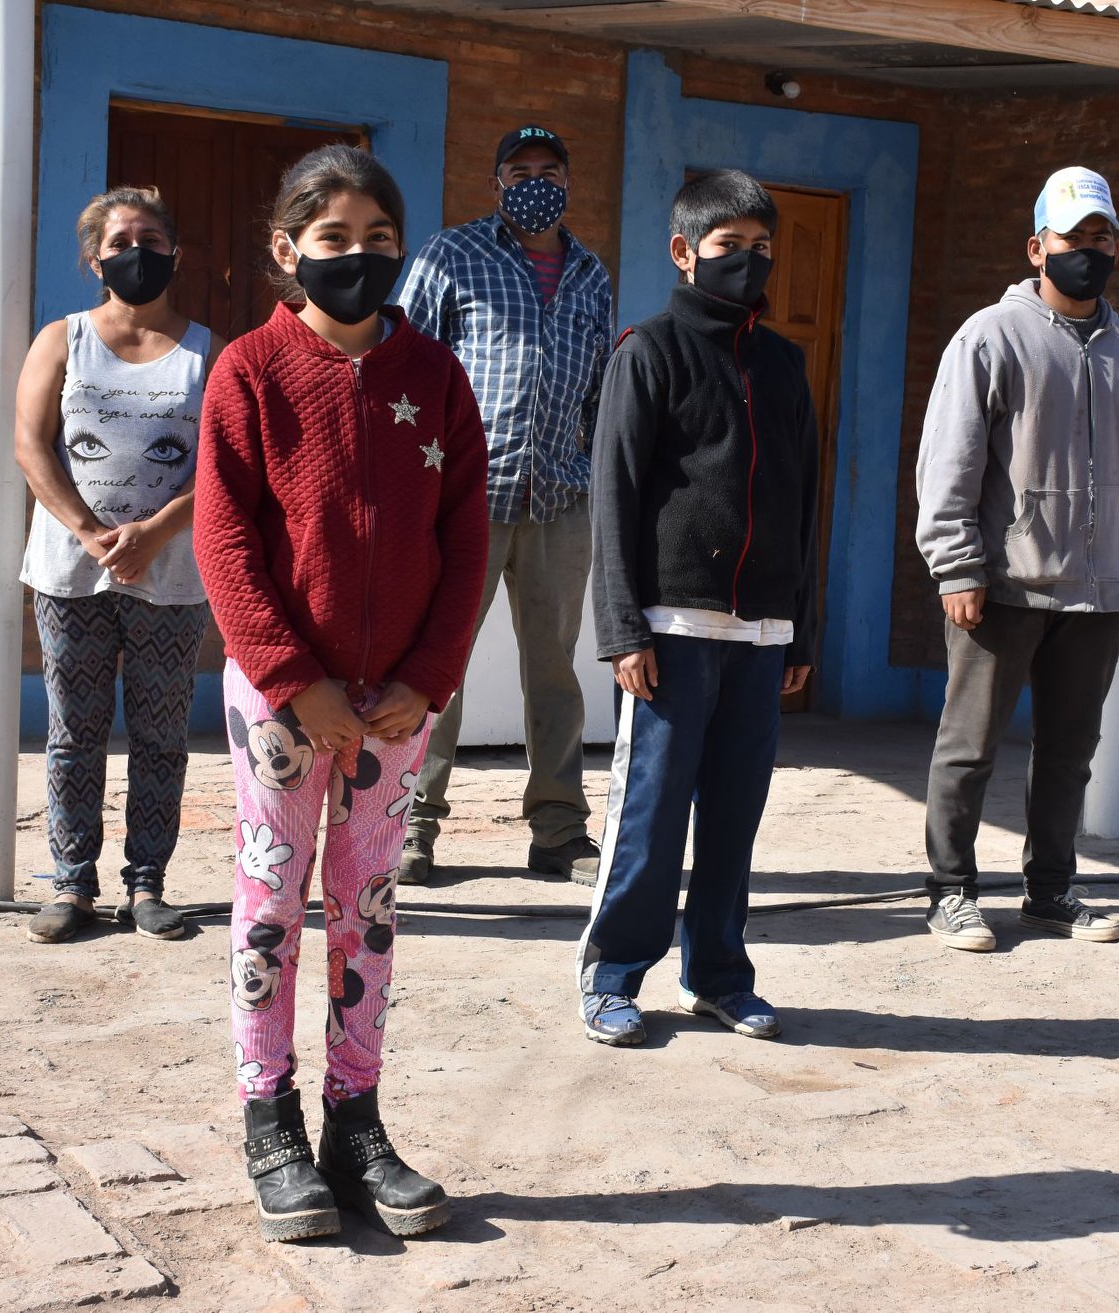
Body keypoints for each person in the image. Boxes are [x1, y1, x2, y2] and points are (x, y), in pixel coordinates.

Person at [195, 145, 487, 1241]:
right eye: (333, 239)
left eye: (378, 239)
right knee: (271, 905)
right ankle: (268, 1119)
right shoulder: (248, 372)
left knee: (366, 909)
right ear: (287, 250)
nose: (357, 256)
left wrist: (428, 676)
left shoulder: (436, 378)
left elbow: (466, 538)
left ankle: (354, 1123)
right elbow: (224, 541)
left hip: (395, 705)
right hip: (283, 700)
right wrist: (292, 679)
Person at [574, 170, 819, 1047]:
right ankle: (611, 974)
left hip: (761, 633)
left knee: (732, 817)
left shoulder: (784, 364)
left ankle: (717, 974)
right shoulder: (649, 352)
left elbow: (803, 501)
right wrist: (621, 628)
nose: (747, 262)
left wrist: (798, 626)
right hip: (671, 630)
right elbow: (614, 497)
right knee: (650, 812)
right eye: (728, 246)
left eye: (760, 248)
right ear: (683, 252)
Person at [913, 166, 1119, 953]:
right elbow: (949, 459)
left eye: (1101, 236)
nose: (1088, 250)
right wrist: (956, 566)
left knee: (1068, 754)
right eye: (1073, 237)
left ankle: (1050, 891)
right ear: (1036, 247)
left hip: (1098, 592)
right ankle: (950, 892)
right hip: (1002, 586)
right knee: (968, 749)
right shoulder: (989, 337)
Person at [394, 124, 615, 887]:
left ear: (567, 182)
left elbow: (597, 391)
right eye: (518, 171)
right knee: (437, 665)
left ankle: (558, 830)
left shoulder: (589, 273)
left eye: (548, 170)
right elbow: (403, 368)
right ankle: (411, 824)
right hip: (463, 497)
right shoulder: (450, 256)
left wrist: (590, 471)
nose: (534, 182)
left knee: (555, 671)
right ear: (495, 184)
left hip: (558, 498)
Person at [15, 185, 223, 947]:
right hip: (70, 575)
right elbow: (30, 443)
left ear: (175, 253)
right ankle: (71, 883)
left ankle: (147, 885)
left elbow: (226, 462)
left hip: (170, 576)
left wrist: (156, 531)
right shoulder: (62, 339)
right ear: (94, 259)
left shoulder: (209, 351)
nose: (137, 254)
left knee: (162, 734)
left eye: (151, 240)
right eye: (120, 242)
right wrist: (89, 530)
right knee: (74, 730)